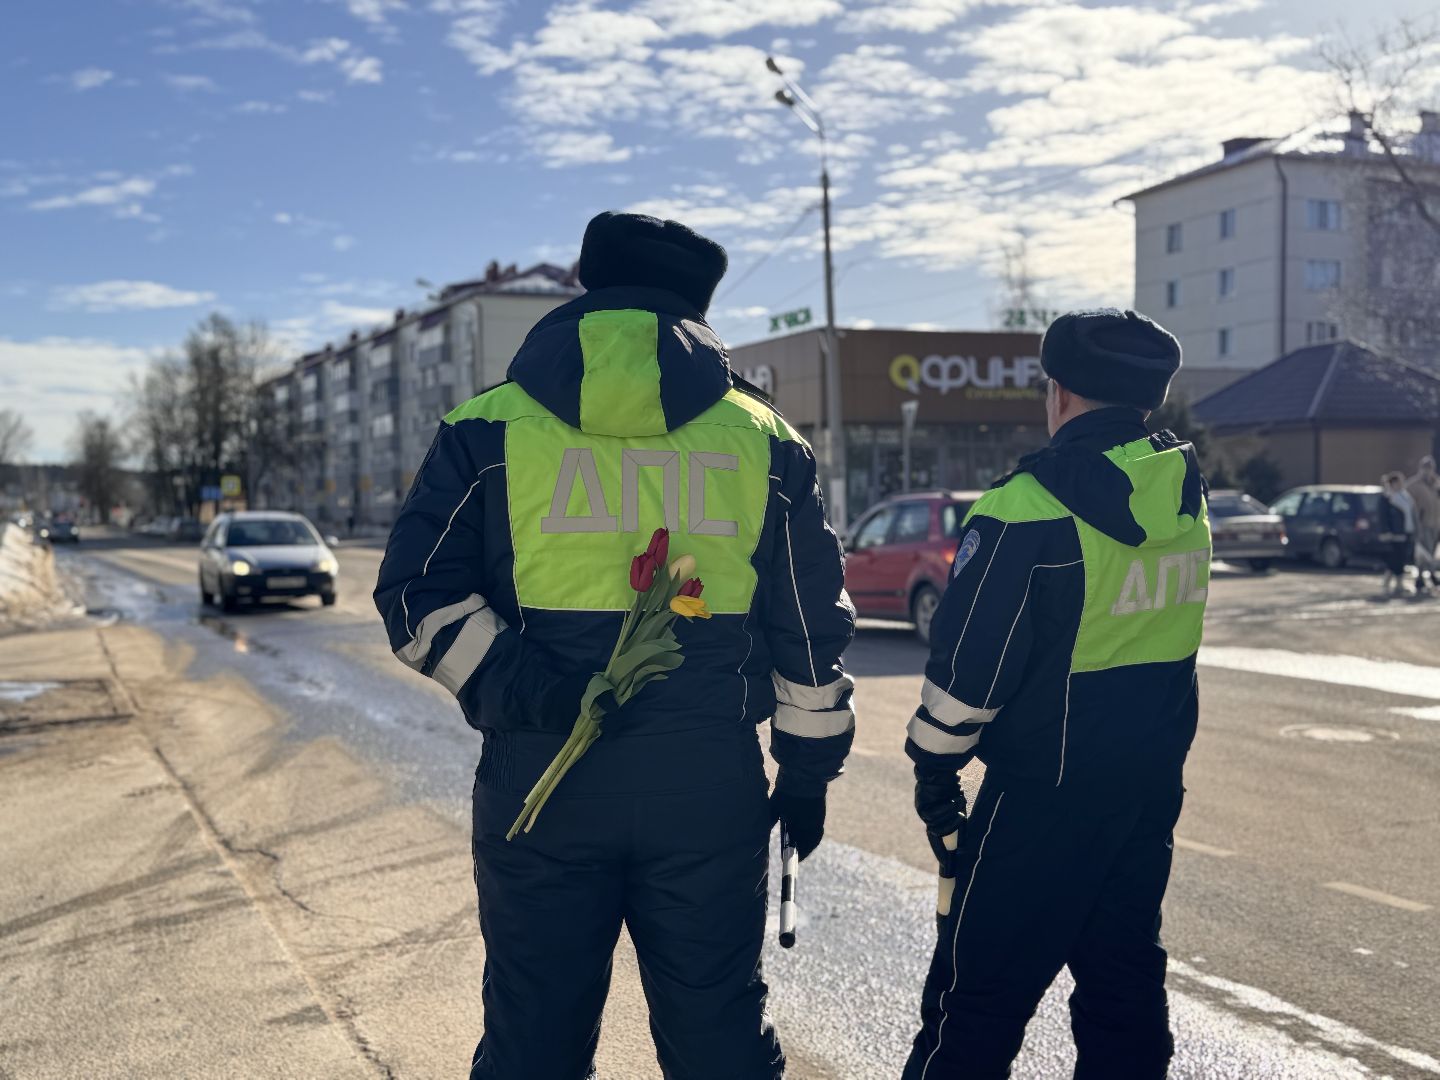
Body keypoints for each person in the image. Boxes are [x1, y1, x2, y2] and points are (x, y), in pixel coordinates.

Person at [374, 211, 855, 1080]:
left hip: (541, 788)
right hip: (707, 792)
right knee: (718, 1040)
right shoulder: (765, 441)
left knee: (533, 1044)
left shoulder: (488, 427)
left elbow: (417, 600)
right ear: (699, 307)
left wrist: (548, 695)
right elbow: (809, 635)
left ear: (587, 287)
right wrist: (808, 773)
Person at [902, 309, 1208, 1080]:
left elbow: (968, 678)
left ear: (1060, 392)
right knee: (1123, 998)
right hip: (1146, 795)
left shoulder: (1026, 507)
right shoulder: (1184, 499)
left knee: (970, 1010)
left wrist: (934, 766)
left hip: (1040, 805)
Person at [1405, 456, 1440, 590]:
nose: (1427, 471)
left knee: (1431, 551)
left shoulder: (1436, 484)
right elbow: (1408, 504)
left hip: (1436, 522)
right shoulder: (1413, 485)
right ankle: (1423, 577)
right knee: (1423, 552)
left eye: (1430, 468)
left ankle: (1428, 575)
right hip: (1422, 523)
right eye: (1425, 468)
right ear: (1420, 469)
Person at [1381, 471, 1418, 596]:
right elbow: (1383, 516)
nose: (1402, 484)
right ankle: (1389, 582)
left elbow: (1411, 512)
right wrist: (1386, 531)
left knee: (1402, 559)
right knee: (1395, 560)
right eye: (1399, 482)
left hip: (1406, 531)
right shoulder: (1388, 497)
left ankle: (1398, 584)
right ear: (1393, 483)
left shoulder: (1405, 496)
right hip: (1395, 534)